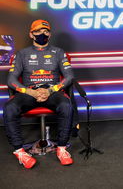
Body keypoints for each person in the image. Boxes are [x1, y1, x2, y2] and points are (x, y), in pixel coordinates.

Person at [3, 19, 74, 168]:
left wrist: (50, 90)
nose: (43, 34)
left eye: (46, 31)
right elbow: (11, 80)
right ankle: (19, 151)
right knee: (9, 107)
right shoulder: (22, 54)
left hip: (52, 91)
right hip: (28, 92)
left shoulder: (58, 52)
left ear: (50, 34)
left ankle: (61, 148)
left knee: (66, 105)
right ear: (31, 34)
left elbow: (69, 77)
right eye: (38, 31)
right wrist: (31, 92)